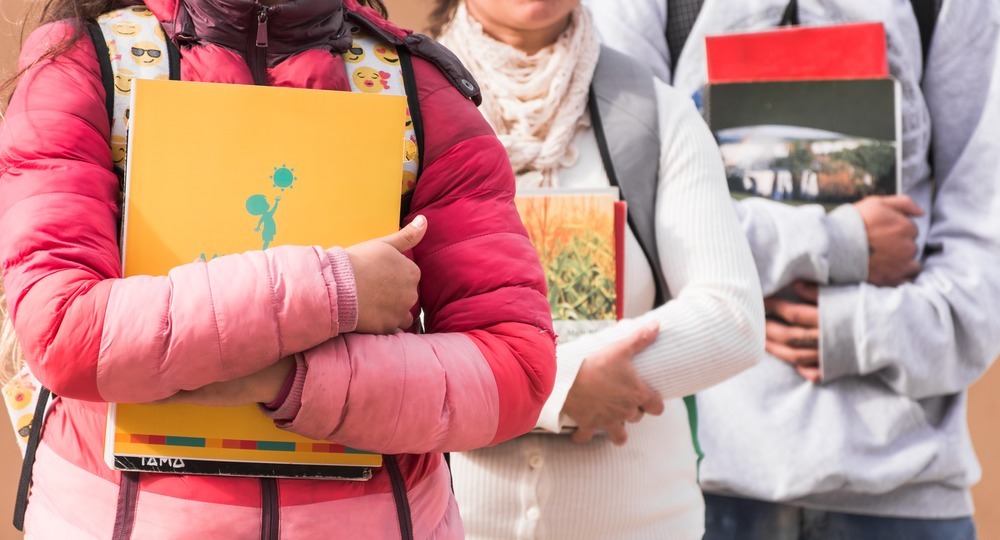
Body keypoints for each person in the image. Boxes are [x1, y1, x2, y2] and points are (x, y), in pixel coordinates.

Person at [0, 0, 558, 537]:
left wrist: (284, 380)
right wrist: (336, 288)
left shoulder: (413, 83)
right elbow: (65, 332)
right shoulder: (92, 60)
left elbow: (514, 368)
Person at [586, 0, 1000, 537]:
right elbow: (632, 217)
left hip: (904, 493)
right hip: (693, 486)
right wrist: (840, 241)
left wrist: (860, 328)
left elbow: (983, 244)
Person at [431, 1, 766, 538]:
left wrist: (541, 381)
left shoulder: (655, 112)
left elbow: (732, 320)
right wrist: (557, 387)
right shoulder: (398, 101)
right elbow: (369, 321)